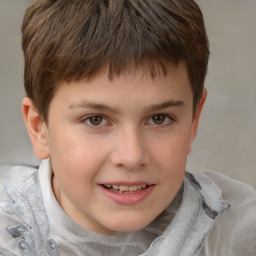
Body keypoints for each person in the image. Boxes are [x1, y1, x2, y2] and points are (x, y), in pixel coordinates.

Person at [0, 0, 255, 255]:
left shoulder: (240, 231)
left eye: (159, 119)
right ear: (39, 129)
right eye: (96, 120)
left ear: (193, 120)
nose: (132, 156)